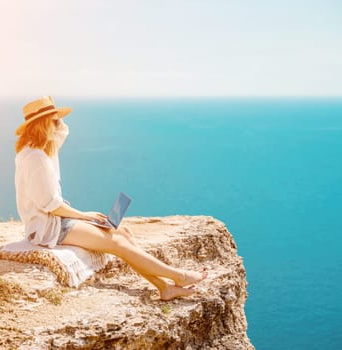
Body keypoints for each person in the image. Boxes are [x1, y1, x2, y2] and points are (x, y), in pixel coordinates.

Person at [14, 96, 207, 301]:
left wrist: (55, 119)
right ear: (44, 125)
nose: (60, 125)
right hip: (49, 227)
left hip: (57, 221)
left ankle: (164, 288)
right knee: (118, 243)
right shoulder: (37, 159)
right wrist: (85, 216)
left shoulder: (40, 151)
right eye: (55, 121)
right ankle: (180, 276)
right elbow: (50, 205)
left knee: (123, 232)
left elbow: (63, 133)